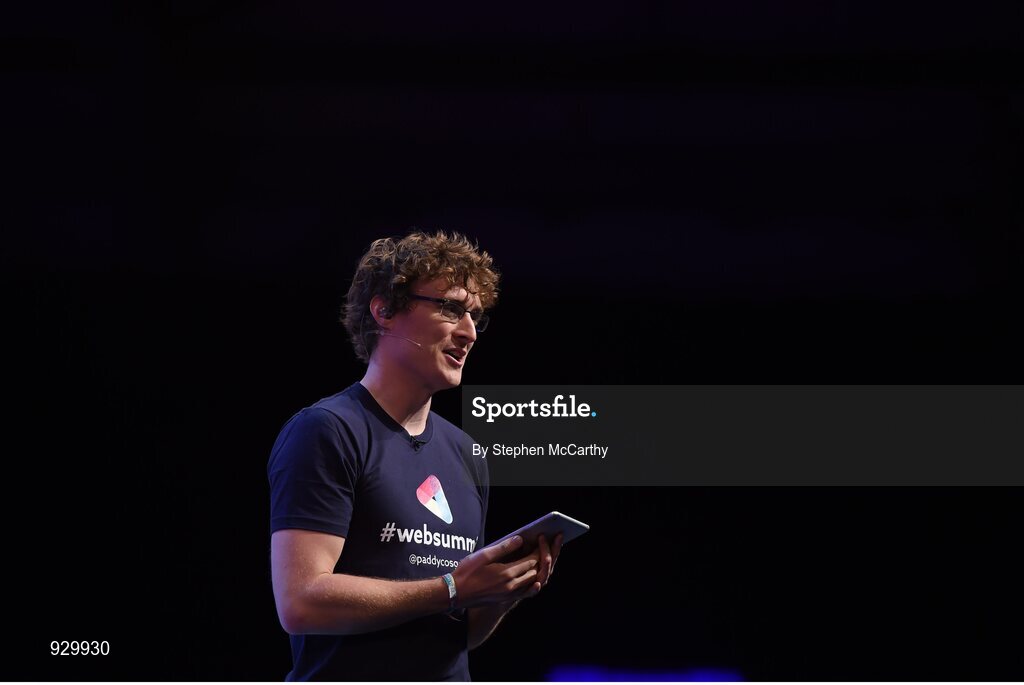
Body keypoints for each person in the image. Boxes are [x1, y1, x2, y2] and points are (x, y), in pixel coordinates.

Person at [267, 230, 563, 681]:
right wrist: (450, 588)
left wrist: (502, 592)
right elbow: (301, 602)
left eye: (475, 317)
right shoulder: (327, 430)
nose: (468, 333)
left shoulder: (466, 454)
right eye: (450, 308)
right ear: (384, 310)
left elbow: (458, 633)